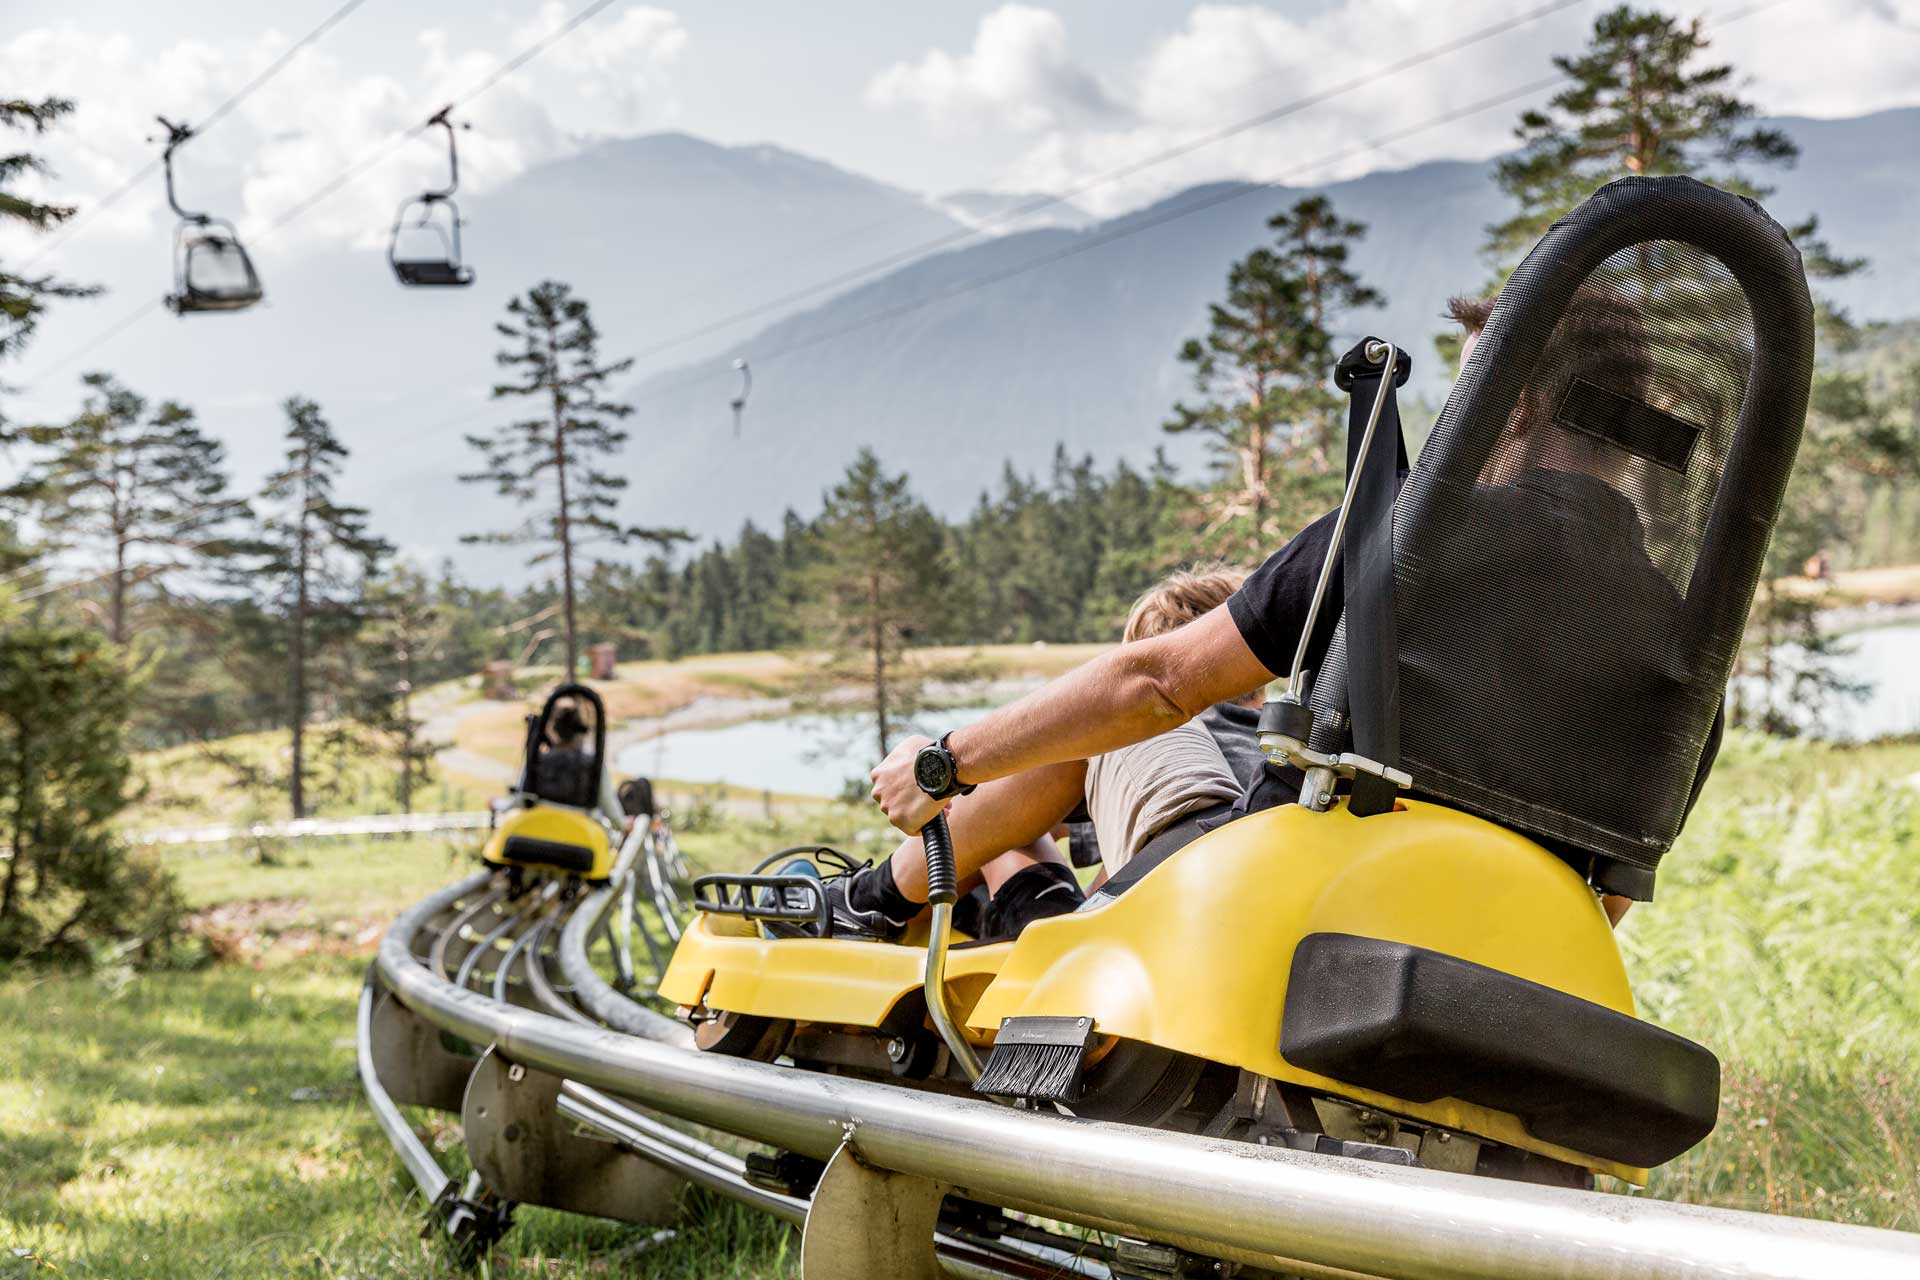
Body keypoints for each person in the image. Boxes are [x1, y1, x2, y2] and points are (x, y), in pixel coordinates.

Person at [869, 298, 1722, 931]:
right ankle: (1015, 873)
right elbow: (1606, 899)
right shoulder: (1687, 657)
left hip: (1262, 914)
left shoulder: (1408, 538)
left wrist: (944, 763)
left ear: (1513, 406)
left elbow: (1157, 684)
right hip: (1502, 960)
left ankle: (869, 902)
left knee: (1112, 722)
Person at [776, 566, 1261, 941]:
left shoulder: (1154, 737)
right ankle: (939, 908)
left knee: (1003, 832)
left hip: (1153, 925)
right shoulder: (1264, 743)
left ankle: (868, 905)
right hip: (1224, 898)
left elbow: (1103, 867)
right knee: (1010, 828)